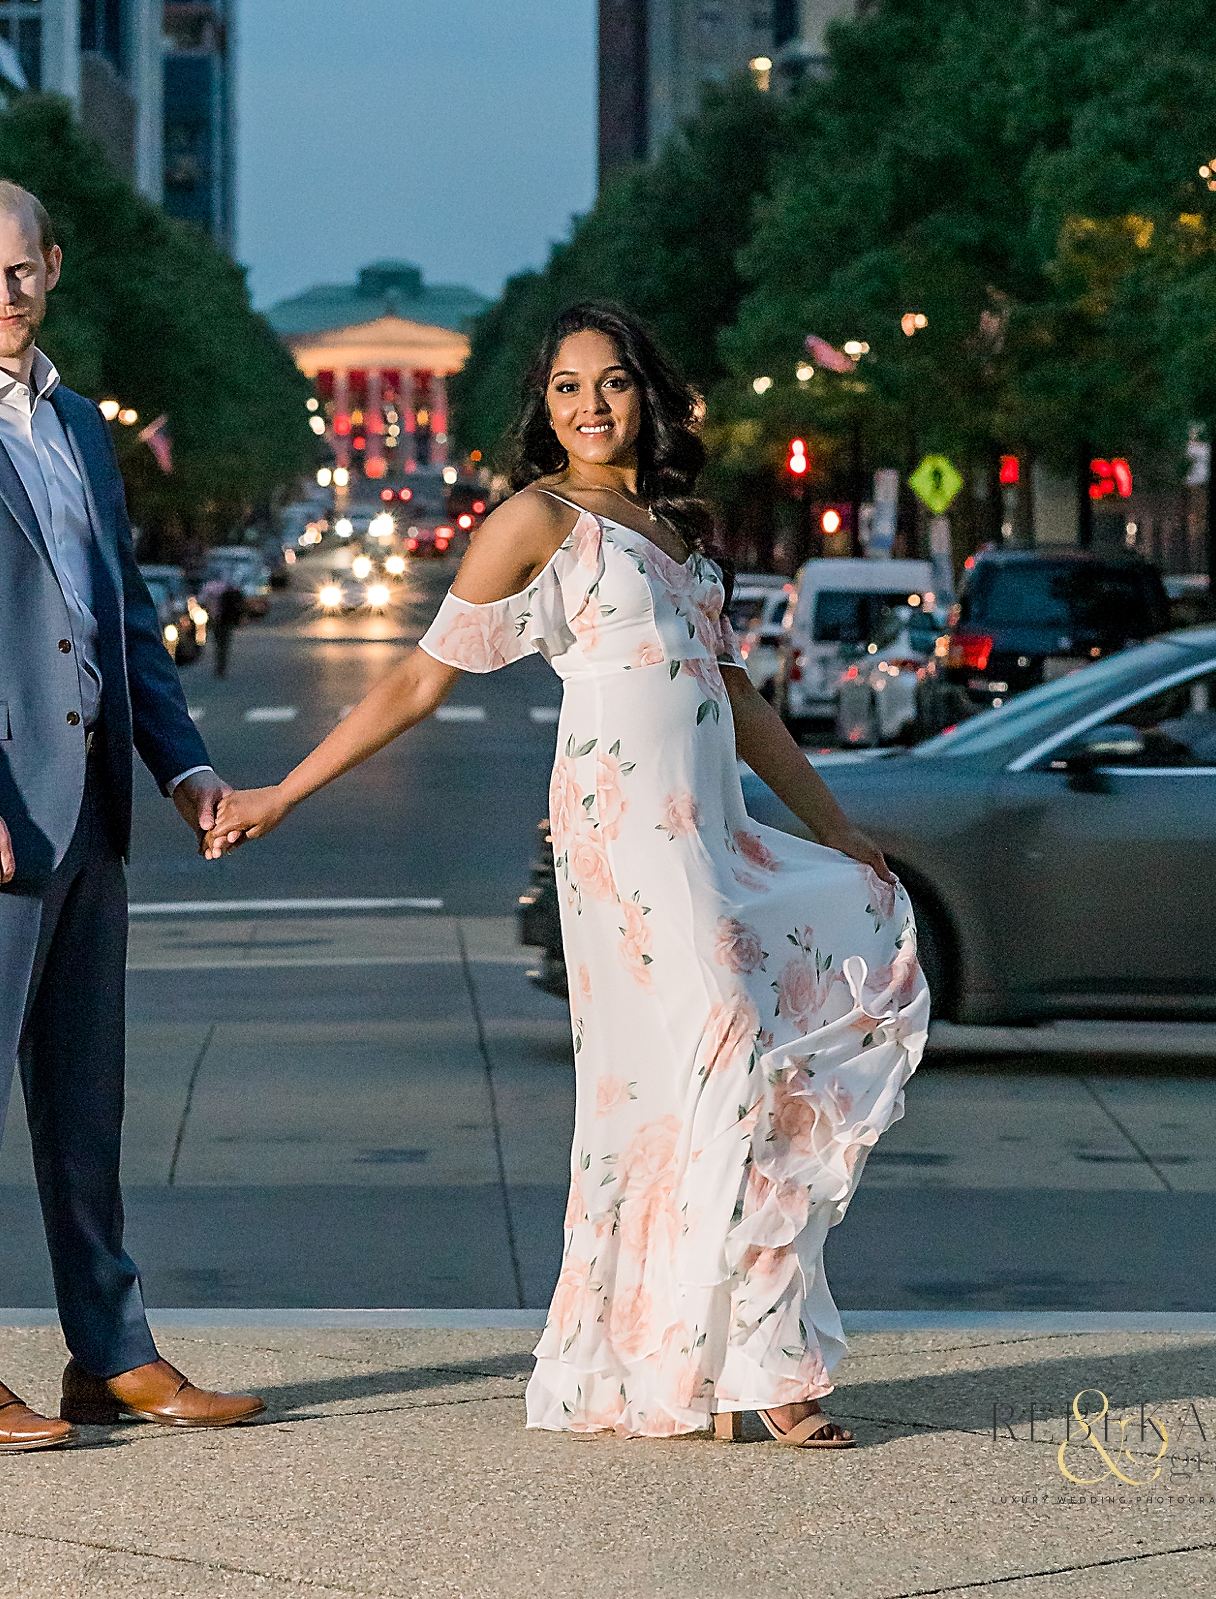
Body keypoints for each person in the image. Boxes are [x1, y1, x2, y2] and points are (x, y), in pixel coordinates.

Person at [206, 300, 928, 1450]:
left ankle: (712, 1357)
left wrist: (833, 826)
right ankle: (752, 1364)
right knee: (722, 1057)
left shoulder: (680, 525)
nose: (590, 406)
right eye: (564, 388)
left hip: (716, 830)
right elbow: (415, 683)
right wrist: (279, 794)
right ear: (540, 409)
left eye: (611, 382)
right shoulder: (532, 523)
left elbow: (736, 699)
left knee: (722, 1083)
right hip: (622, 834)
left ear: (647, 393)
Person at [0, 177, 266, 1455]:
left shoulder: (78, 427)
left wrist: (182, 765)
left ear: (52, 268)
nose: (2, 293)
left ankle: (112, 1355)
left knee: (87, 1104)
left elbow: (120, 616)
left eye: (20, 270)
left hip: (90, 818)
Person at [203, 569, 244, 679]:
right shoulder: (226, 586)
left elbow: (204, 601)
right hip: (227, 618)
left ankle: (219, 665)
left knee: (217, 643)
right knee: (225, 643)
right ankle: (222, 665)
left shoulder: (209, 587)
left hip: (215, 618)